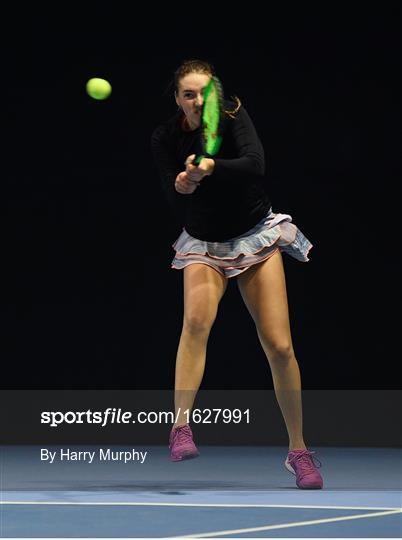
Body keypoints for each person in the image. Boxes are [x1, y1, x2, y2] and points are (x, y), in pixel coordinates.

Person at [151, 59, 323, 489]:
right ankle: (181, 426)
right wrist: (183, 186)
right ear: (177, 99)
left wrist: (212, 168)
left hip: (254, 235)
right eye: (188, 94)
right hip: (204, 244)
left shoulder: (233, 114)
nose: (196, 101)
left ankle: (298, 451)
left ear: (215, 96)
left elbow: (255, 164)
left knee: (280, 346)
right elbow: (175, 204)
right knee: (195, 322)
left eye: (203, 93)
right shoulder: (165, 137)